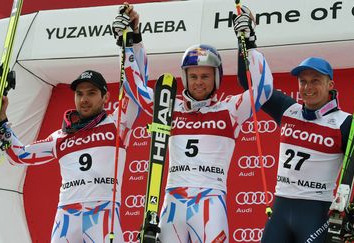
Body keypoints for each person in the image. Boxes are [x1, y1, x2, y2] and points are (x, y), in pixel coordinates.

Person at [111, 5, 273, 243]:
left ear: (216, 77)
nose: (199, 83)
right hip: (172, 202)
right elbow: (134, 87)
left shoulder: (230, 110)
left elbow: (263, 89)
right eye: (193, 76)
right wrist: (131, 40)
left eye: (205, 76)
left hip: (211, 201)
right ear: (185, 77)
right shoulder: (168, 107)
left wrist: (249, 41)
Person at [0, 6, 145, 243]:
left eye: (91, 93)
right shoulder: (61, 137)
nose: (85, 99)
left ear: (105, 97)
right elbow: (20, 155)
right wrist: (1, 122)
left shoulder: (117, 124)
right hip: (66, 217)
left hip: (103, 216)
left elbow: (136, 87)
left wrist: (134, 41)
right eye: (80, 93)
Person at [236, 15, 354, 241]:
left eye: (315, 80)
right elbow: (250, 84)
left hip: (316, 214)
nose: (308, 87)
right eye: (303, 81)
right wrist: (246, 42)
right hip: (281, 210)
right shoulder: (288, 109)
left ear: (330, 84)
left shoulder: (346, 122)